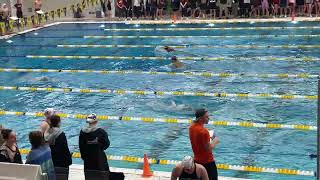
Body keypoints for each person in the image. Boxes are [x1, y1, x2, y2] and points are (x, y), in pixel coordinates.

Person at [189, 109, 219, 180]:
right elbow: (208, 149)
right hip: (207, 162)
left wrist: (208, 137)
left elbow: (199, 141)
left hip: (196, 161)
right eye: (206, 117)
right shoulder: (204, 131)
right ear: (200, 119)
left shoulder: (191, 127)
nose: (209, 118)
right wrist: (215, 140)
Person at [79, 113, 110, 179]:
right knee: (102, 176)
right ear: (96, 121)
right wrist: (99, 147)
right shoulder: (101, 132)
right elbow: (107, 144)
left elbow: (81, 146)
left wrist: (84, 156)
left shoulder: (82, 132)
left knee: (89, 176)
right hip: (99, 158)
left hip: (87, 159)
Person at [45, 115, 72, 179]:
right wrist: (69, 159)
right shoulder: (60, 134)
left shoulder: (47, 133)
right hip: (62, 162)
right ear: (58, 122)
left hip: (50, 161)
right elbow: (64, 148)